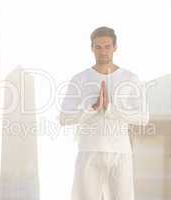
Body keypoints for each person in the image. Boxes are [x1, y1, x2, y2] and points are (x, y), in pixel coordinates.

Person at [58, 26, 149, 200]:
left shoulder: (131, 79)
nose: (103, 51)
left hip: (120, 153)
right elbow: (64, 118)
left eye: (107, 46)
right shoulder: (79, 79)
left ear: (115, 47)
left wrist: (110, 109)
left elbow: (143, 118)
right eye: (98, 47)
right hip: (89, 151)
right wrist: (92, 109)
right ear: (91, 48)